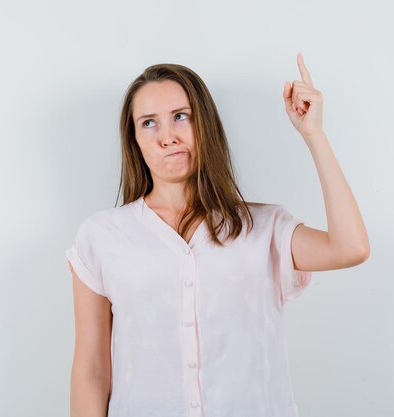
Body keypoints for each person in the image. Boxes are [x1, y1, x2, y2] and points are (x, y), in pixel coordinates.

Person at [66, 52, 370, 417]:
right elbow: (92, 371)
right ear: (134, 139)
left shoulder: (265, 228)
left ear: (204, 125)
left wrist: (314, 135)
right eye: (149, 123)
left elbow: (350, 248)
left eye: (181, 117)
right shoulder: (102, 237)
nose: (167, 137)